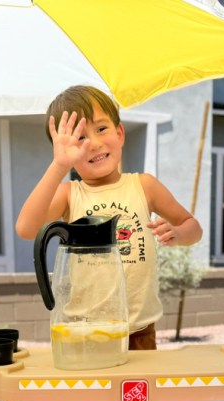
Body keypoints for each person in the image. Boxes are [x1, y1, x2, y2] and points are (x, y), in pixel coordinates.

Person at [16, 85, 202, 350]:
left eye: (101, 129)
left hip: (138, 330)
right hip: (84, 330)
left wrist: (179, 233)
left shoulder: (144, 186)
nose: (93, 144)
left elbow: (193, 227)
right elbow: (26, 228)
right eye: (79, 138)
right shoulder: (70, 193)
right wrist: (59, 166)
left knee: (135, 393)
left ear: (120, 132)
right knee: (93, 393)